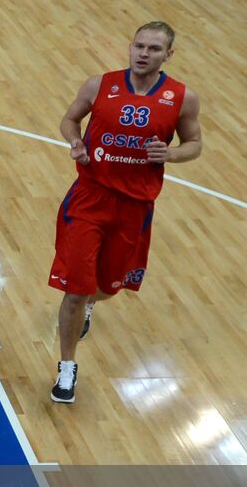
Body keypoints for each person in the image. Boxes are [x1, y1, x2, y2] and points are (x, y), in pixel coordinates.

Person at [47, 22, 202, 404]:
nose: (143, 53)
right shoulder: (99, 84)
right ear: (130, 47)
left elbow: (194, 143)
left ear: (168, 55)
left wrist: (172, 153)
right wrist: (75, 141)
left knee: (107, 288)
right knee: (74, 290)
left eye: (153, 48)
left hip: (135, 207)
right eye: (138, 45)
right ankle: (67, 367)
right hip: (89, 198)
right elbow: (69, 120)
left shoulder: (182, 97)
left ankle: (90, 306)